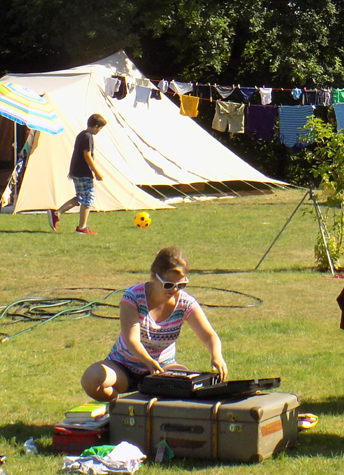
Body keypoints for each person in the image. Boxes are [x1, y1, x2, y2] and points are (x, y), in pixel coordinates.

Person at [80, 246, 227, 402]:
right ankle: (119, 407)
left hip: (163, 367)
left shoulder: (185, 302)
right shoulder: (133, 297)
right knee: (92, 380)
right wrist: (149, 362)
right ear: (155, 277)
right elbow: (132, 340)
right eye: (168, 285)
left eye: (181, 285)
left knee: (185, 387)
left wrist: (216, 355)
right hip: (124, 366)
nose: (175, 290)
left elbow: (209, 336)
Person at [49, 113, 107, 235]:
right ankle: (81, 228)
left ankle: (57, 213)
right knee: (88, 199)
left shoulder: (81, 135)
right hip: (83, 172)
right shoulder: (88, 136)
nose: (100, 131)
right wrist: (97, 173)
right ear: (96, 126)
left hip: (76, 171)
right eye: (100, 128)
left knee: (80, 197)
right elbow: (87, 155)